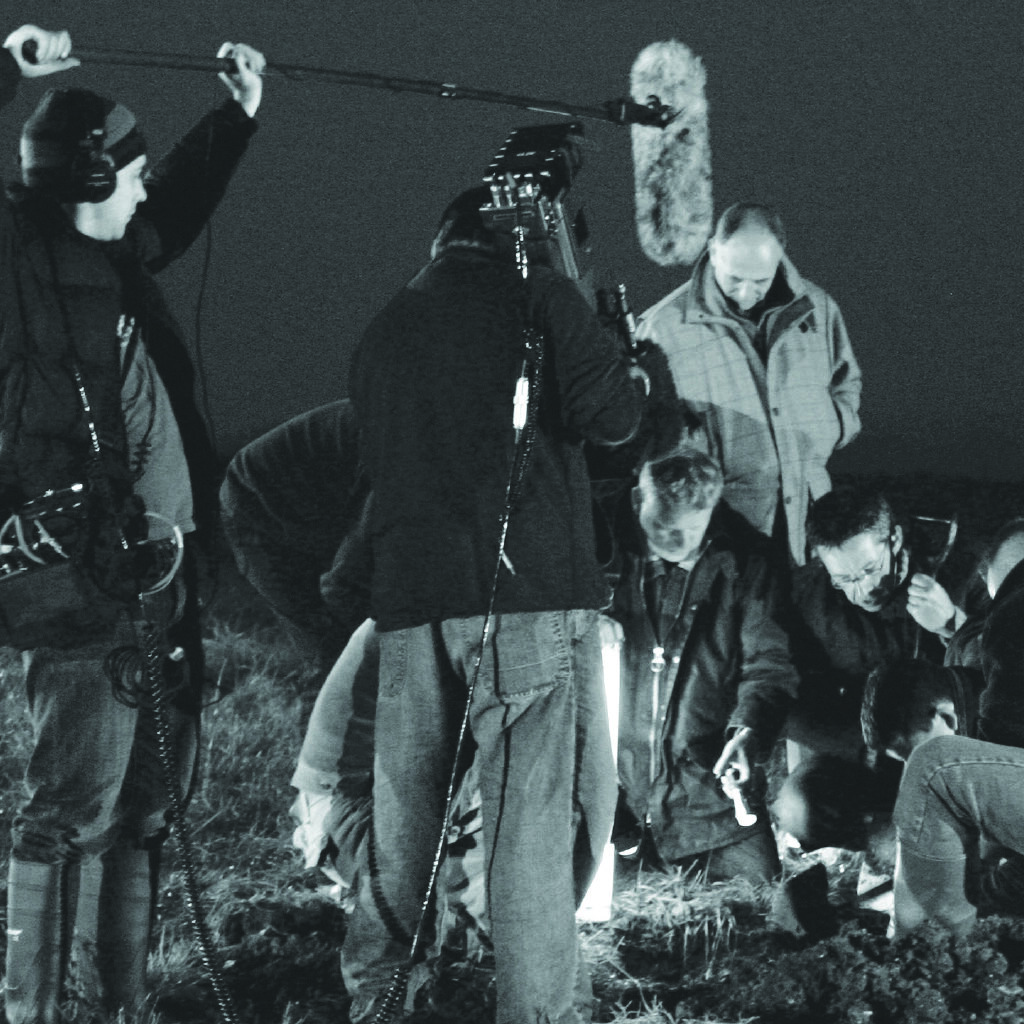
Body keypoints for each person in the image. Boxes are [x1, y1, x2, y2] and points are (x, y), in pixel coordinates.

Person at [0, 24, 264, 1023]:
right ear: (92, 172)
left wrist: (233, 120)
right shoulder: (21, 267)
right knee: (70, 814)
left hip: (162, 588)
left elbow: (175, 205)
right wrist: (13, 71)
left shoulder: (114, 257)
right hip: (77, 591)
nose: (147, 192)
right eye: (132, 172)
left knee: (147, 812)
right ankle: (36, 1008)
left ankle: (120, 1004)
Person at [344, 184, 648, 1024]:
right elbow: (615, 418)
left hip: (410, 601)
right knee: (529, 822)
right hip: (523, 597)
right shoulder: (539, 295)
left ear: (442, 242)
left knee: (405, 818)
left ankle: (381, 999)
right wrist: (618, 348)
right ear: (525, 237)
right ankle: (537, 1010)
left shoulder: (385, 326)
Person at [635, 202, 862, 564]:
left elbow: (846, 382)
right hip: (725, 542)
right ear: (712, 250)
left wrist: (832, 427)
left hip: (814, 530)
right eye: (734, 278)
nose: (745, 293)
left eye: (759, 281)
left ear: (780, 256)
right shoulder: (662, 329)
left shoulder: (818, 308)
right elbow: (645, 443)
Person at [611, 450, 797, 883]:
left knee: (761, 900)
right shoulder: (600, 554)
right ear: (639, 501)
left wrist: (748, 731)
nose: (676, 543)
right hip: (612, 796)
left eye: (691, 530)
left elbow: (769, 666)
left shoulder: (750, 561)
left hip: (709, 796)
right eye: (662, 527)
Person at [220, 400, 372, 675]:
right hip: (257, 506)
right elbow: (342, 585)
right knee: (336, 654)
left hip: (322, 509)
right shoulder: (409, 459)